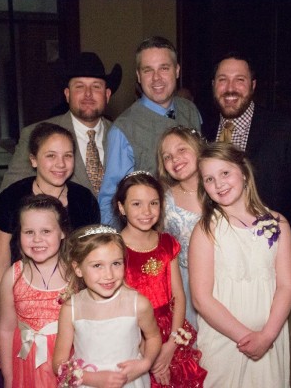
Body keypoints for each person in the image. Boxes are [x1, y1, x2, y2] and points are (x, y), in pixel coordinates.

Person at [209, 51, 291, 388]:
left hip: (274, 261)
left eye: (239, 80)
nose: (231, 88)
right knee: (227, 346)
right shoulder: (201, 130)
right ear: (213, 86)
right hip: (221, 263)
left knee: (283, 344)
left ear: (253, 86)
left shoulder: (285, 129)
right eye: (223, 80)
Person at [0, 123, 100, 378]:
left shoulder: (84, 201)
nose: (60, 164)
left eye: (68, 155)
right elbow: (0, 263)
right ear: (33, 160)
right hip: (23, 307)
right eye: (50, 155)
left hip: (70, 305)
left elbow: (91, 258)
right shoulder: (11, 199)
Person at [188, 142, 291, 387]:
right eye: (209, 179)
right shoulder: (207, 229)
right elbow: (201, 299)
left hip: (270, 335)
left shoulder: (278, 224)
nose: (219, 184)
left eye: (225, 173)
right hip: (225, 338)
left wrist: (266, 336)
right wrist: (247, 338)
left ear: (244, 173)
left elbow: (287, 285)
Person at [113, 171, 207, 387]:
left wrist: (171, 344)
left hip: (170, 331)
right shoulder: (114, 248)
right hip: (135, 335)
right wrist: (150, 355)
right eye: (136, 204)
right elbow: (119, 305)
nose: (146, 211)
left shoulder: (166, 242)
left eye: (153, 203)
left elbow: (179, 296)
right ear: (121, 207)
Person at [99, 36, 202, 225]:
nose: (156, 78)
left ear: (177, 70)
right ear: (138, 76)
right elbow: (110, 199)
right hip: (154, 239)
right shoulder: (124, 128)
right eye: (148, 70)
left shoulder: (191, 110)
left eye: (164, 68)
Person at [52, 224, 162, 388]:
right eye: (97, 265)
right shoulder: (71, 309)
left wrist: (145, 363)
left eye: (116, 264)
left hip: (130, 382)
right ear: (78, 269)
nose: (109, 275)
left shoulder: (138, 304)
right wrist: (91, 378)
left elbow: (153, 337)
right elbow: (58, 364)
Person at [0, 51, 122, 195]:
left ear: (107, 95)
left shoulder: (123, 136)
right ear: (67, 94)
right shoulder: (36, 134)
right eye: (79, 86)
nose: (88, 94)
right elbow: (8, 197)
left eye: (96, 86)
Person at [0, 194, 70, 388]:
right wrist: (8, 376)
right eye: (29, 232)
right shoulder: (12, 277)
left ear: (62, 232)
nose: (37, 239)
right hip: (27, 364)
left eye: (46, 231)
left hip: (68, 363)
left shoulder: (76, 275)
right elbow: (6, 329)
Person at [157, 125, 205, 329]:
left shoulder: (220, 190)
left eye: (181, 149)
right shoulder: (164, 201)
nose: (175, 159)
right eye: (167, 156)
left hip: (223, 279)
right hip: (184, 283)